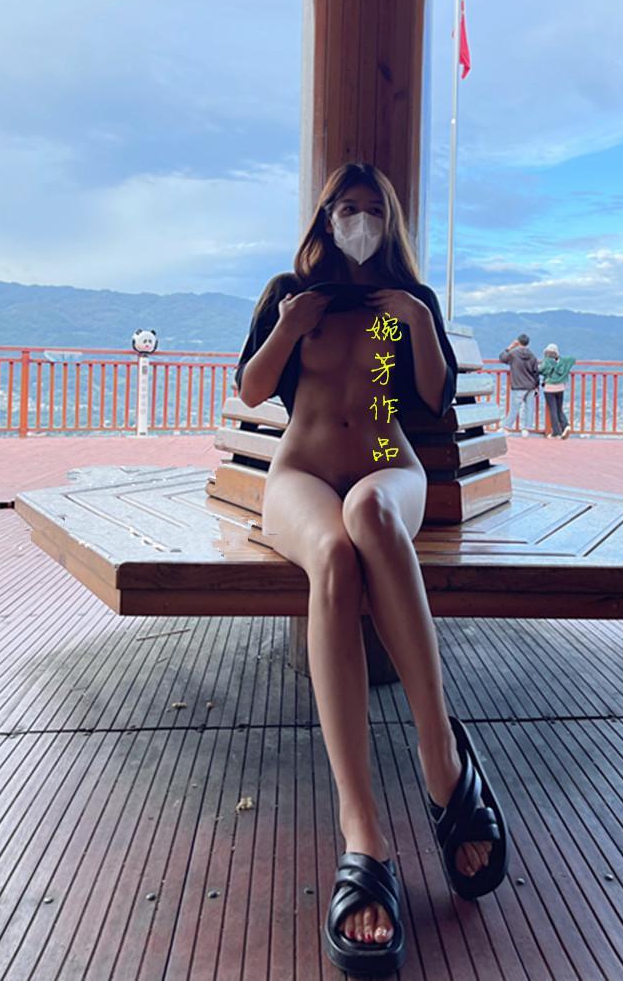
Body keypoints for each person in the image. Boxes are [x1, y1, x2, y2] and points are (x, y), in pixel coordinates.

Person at [236, 162, 510, 976]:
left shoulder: (407, 303)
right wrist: (289, 326)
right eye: (345, 208)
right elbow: (252, 390)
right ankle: (363, 830)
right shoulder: (292, 294)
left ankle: (440, 757)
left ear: (390, 222)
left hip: (389, 468)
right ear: (324, 218)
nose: (359, 221)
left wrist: (418, 321)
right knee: (331, 556)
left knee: (371, 516)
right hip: (301, 474)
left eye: (372, 210)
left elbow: (429, 396)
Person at [498, 333, 539, 437]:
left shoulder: (513, 354)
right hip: (531, 385)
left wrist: (510, 347)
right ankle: (526, 429)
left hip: (518, 385)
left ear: (518, 342)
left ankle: (507, 427)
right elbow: (536, 372)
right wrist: (537, 386)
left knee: (515, 408)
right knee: (529, 408)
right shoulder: (532, 356)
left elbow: (502, 358)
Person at [538, 342, 576, 439]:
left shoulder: (546, 361)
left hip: (549, 388)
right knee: (559, 409)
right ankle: (566, 426)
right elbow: (572, 360)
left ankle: (556, 432)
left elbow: (540, 370)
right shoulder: (562, 361)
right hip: (560, 388)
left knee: (553, 410)